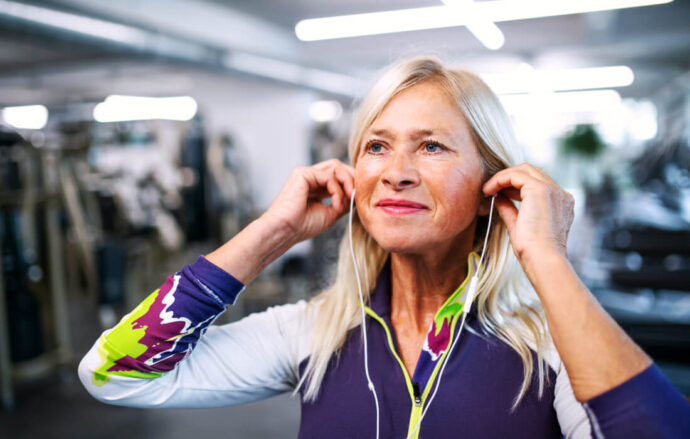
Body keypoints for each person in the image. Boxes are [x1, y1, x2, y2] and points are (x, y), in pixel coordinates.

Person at [78, 56, 690, 438]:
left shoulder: (550, 349)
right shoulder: (315, 333)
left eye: (431, 147)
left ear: (492, 188)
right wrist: (274, 233)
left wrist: (548, 259)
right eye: (376, 146)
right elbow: (113, 373)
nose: (395, 172)